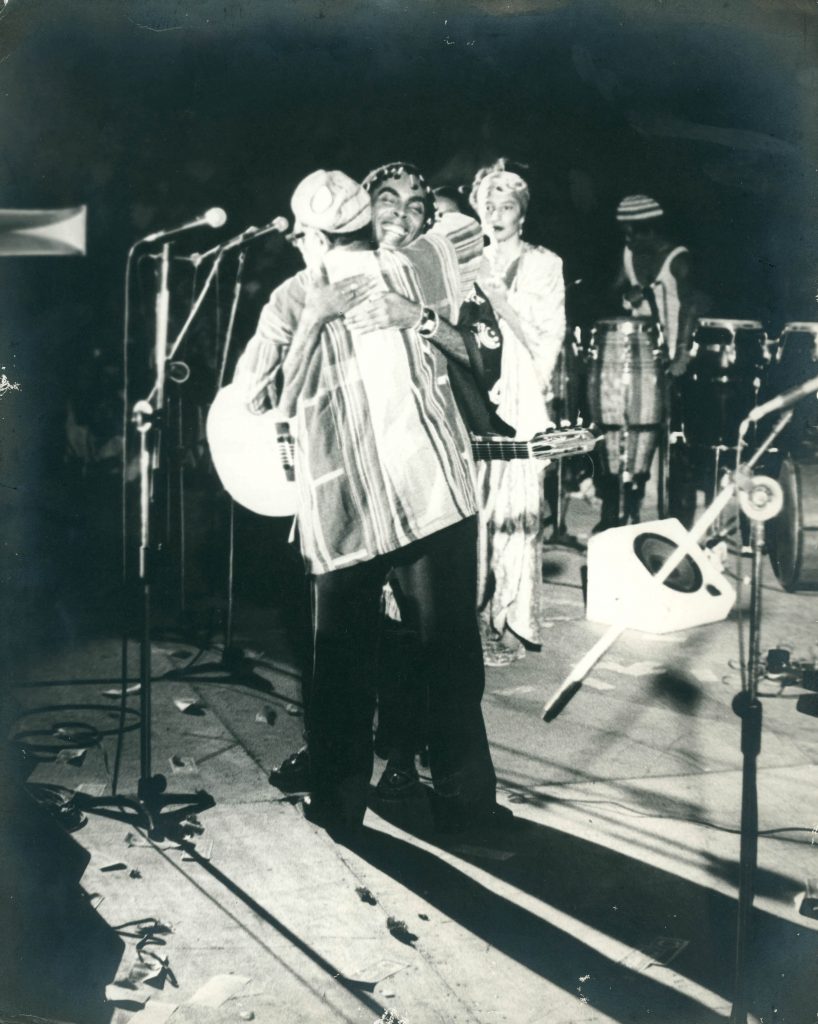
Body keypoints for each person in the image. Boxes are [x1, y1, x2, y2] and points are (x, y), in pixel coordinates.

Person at [234, 169, 505, 838]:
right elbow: (256, 399)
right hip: (378, 500)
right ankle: (401, 809)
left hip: (408, 498)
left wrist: (420, 317)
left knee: (379, 667)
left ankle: (393, 807)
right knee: (401, 664)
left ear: (312, 235)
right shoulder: (310, 295)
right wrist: (323, 318)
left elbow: (251, 394)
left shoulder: (381, 276)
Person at [468, 159, 566, 667]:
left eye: (507, 206)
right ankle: (472, 611)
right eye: (489, 205)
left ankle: (510, 622)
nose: (497, 213)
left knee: (513, 511)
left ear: (522, 214)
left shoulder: (546, 264)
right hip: (470, 395)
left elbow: (549, 338)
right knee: (471, 511)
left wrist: (504, 304)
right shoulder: (466, 261)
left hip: (520, 399)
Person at [595, 194, 700, 529]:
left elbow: (693, 306)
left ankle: (677, 521)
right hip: (639, 359)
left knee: (675, 442)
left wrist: (682, 353)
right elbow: (612, 291)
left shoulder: (678, 259)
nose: (628, 238)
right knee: (623, 435)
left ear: (650, 229)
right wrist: (627, 295)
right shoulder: (629, 255)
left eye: (633, 231)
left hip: (674, 357)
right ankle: (617, 513)